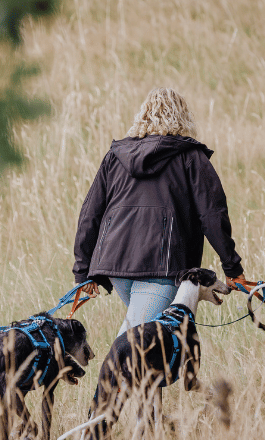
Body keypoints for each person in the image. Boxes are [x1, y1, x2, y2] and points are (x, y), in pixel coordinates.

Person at [72, 87, 250, 335]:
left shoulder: (115, 157)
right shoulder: (191, 158)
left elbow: (89, 214)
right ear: (184, 116)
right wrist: (233, 269)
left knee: (154, 341)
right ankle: (112, 375)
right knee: (139, 343)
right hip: (162, 268)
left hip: (115, 264)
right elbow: (212, 217)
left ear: (142, 115)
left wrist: (82, 271)